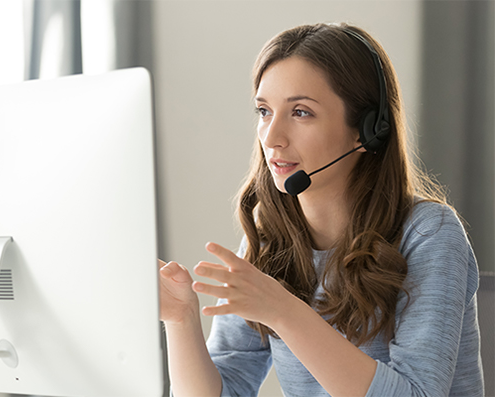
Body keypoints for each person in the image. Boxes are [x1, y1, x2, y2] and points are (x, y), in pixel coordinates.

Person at [158, 23, 484, 397]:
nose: (271, 137)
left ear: (367, 130)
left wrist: (285, 311)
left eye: (300, 112)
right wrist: (180, 318)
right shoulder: (271, 248)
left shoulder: (429, 234)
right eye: (264, 111)